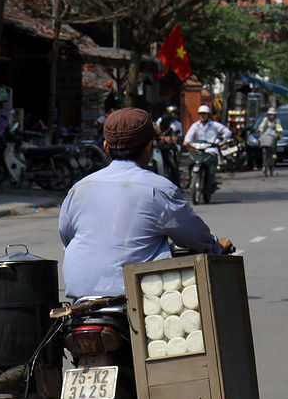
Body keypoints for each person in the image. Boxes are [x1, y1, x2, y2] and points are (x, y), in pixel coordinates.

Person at [59, 107, 233, 299]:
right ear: (150, 146)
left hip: (80, 294)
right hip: (137, 297)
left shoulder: (80, 188)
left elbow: (67, 236)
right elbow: (194, 237)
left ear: (106, 147)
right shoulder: (158, 189)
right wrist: (216, 245)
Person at [183, 104, 232, 190]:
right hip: (198, 150)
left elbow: (227, 132)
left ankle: (212, 181)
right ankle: (190, 181)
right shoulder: (195, 126)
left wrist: (221, 142)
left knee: (211, 167)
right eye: (201, 114)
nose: (203, 116)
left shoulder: (214, 125)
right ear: (199, 115)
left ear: (208, 115)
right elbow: (189, 136)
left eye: (205, 114)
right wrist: (186, 141)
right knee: (190, 162)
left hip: (211, 150)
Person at [257, 107, 283, 175]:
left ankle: (274, 154)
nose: (271, 116)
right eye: (270, 114)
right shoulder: (265, 120)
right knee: (264, 151)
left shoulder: (277, 120)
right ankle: (264, 165)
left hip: (273, 135)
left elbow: (278, 126)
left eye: (272, 114)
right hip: (266, 135)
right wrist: (260, 129)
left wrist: (279, 131)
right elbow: (262, 126)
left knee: (273, 145)